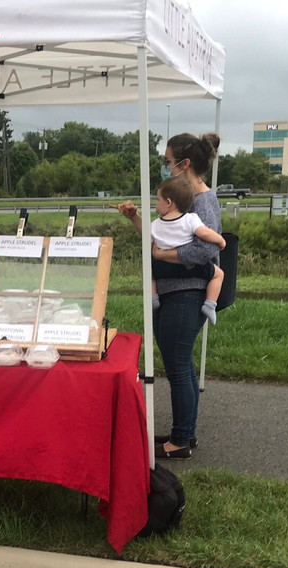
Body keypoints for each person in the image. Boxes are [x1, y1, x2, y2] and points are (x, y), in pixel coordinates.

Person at [118, 132, 223, 460]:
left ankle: (179, 441)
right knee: (181, 365)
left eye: (168, 162)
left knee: (178, 366)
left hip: (186, 293)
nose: (166, 168)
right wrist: (135, 219)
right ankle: (183, 433)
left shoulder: (202, 201)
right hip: (173, 292)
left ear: (184, 164)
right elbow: (159, 235)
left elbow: (205, 250)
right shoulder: (182, 199)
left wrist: (161, 257)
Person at [149, 177, 226, 325]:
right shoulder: (191, 219)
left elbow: (148, 239)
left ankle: (153, 298)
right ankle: (210, 304)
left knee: (149, 271)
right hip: (186, 266)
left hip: (161, 268)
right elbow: (204, 233)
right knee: (219, 274)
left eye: (158, 200)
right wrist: (220, 240)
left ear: (169, 203)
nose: (156, 205)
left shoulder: (155, 224)